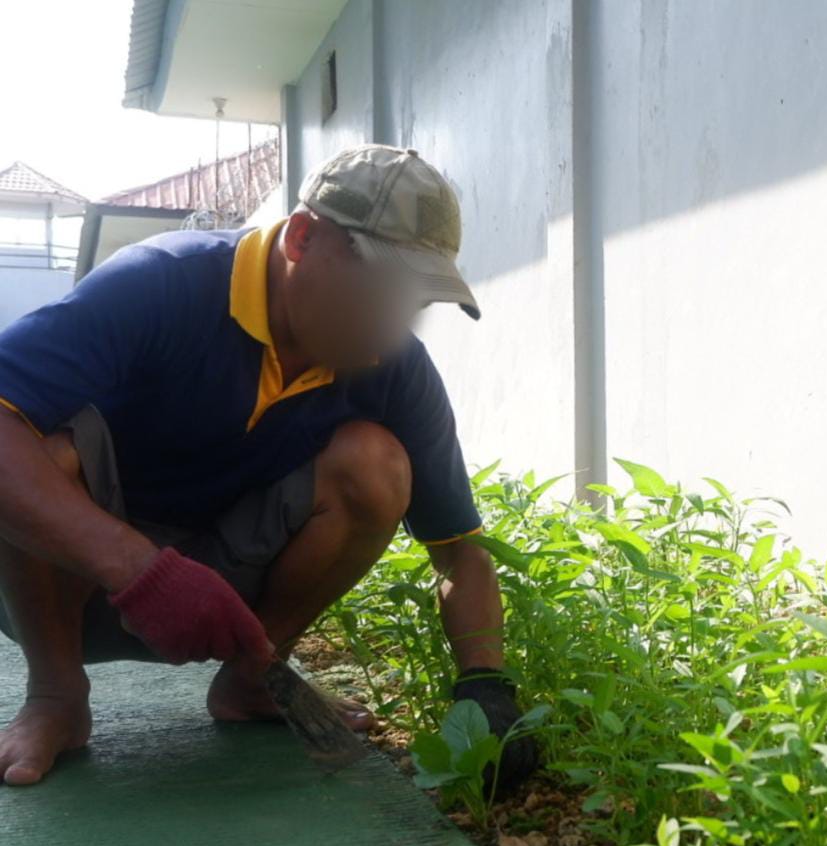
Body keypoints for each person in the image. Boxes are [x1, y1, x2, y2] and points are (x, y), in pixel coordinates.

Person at [0, 143, 540, 794]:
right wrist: (140, 569)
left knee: (377, 464)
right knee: (40, 446)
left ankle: (254, 680)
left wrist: (484, 683)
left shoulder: (394, 369)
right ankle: (56, 696)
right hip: (76, 583)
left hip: (230, 597)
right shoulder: (162, 284)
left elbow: (461, 554)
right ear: (303, 238)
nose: (387, 322)